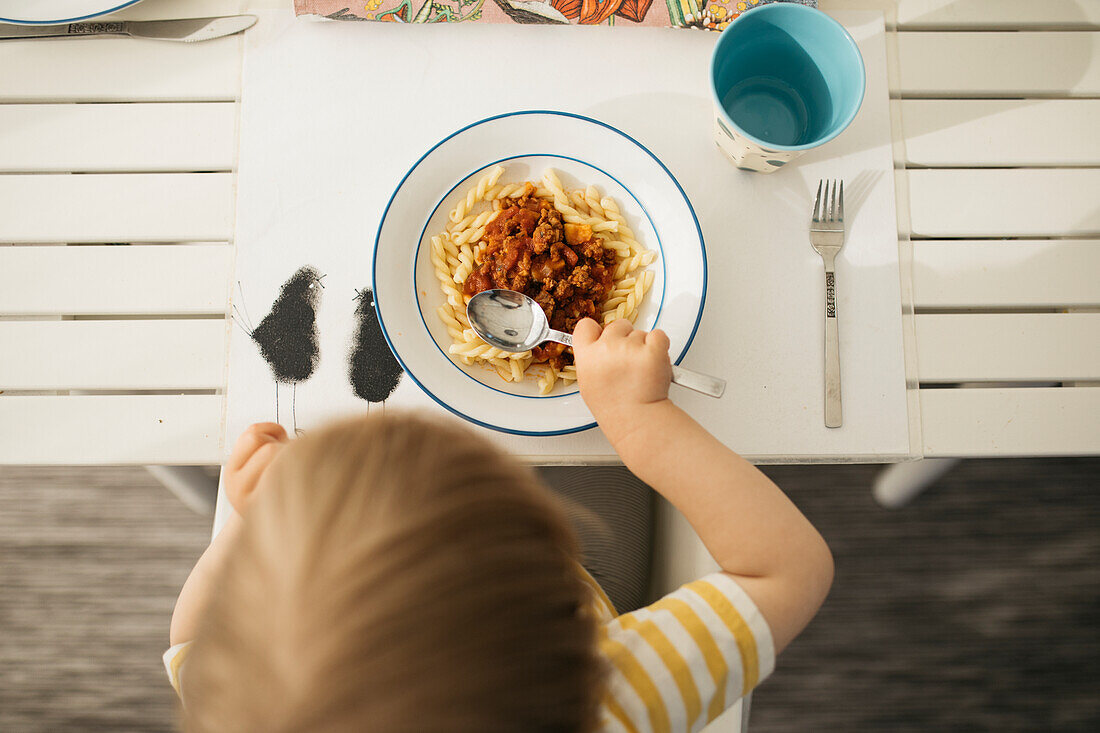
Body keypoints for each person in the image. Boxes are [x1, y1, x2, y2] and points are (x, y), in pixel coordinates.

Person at [166, 318, 834, 732]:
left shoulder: (263, 697)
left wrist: (251, 532)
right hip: (601, 572)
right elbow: (787, 567)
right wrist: (639, 421)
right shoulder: (616, 691)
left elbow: (191, 639)